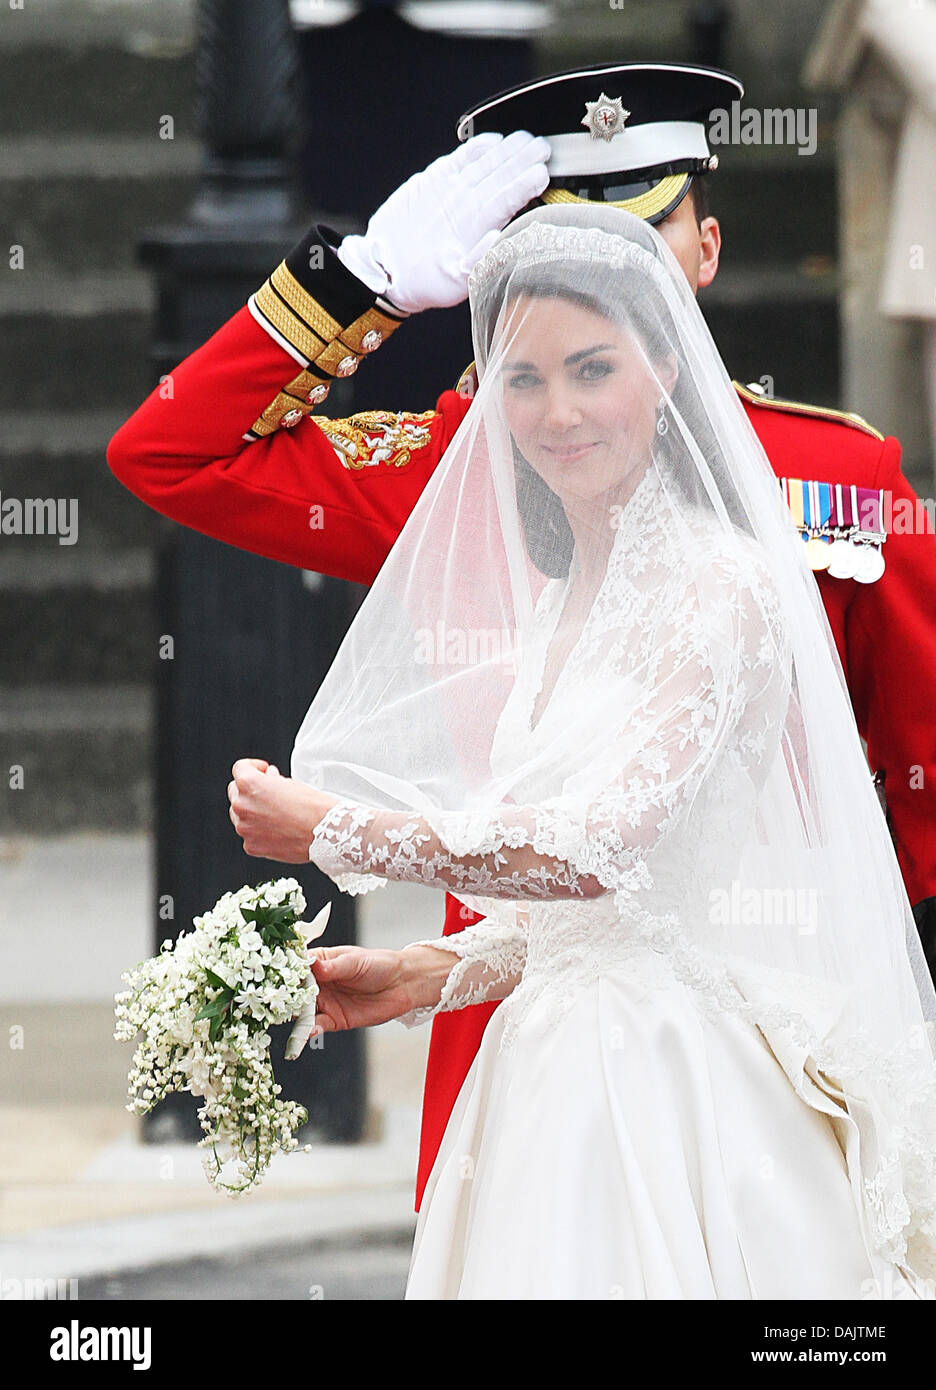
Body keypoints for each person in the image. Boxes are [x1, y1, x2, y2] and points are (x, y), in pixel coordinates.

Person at [106, 62, 936, 1220]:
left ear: (701, 251)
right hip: (503, 1027)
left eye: (639, 252)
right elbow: (169, 454)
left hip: (763, 1035)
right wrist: (366, 282)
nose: (564, 406)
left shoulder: (842, 480)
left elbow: (915, 790)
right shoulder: (473, 470)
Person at [250, 201, 936, 1298]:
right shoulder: (565, 593)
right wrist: (427, 974)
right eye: (522, 380)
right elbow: (604, 916)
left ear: (664, 368)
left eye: (592, 369)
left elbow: (606, 847)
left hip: (668, 1082)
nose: (557, 411)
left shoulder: (726, 586)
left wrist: (333, 827)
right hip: (550, 1060)